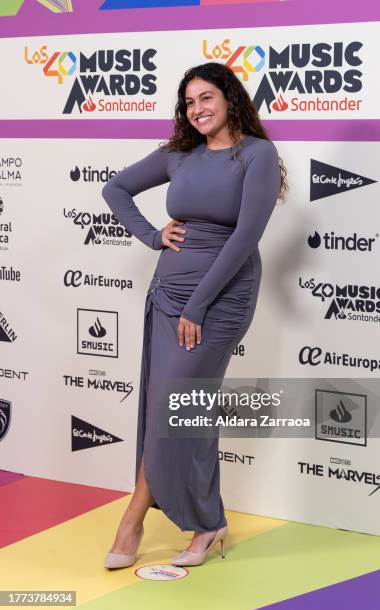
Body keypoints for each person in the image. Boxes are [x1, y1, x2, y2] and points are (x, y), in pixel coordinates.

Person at [101, 61, 287, 569]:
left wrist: (199, 305)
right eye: (189, 102)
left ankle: (133, 519)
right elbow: (114, 189)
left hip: (220, 299)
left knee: (173, 410)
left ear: (229, 99)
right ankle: (208, 524)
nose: (198, 109)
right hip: (167, 294)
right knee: (182, 411)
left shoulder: (258, 154)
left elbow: (247, 236)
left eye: (207, 97)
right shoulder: (179, 156)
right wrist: (152, 234)